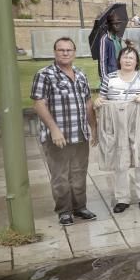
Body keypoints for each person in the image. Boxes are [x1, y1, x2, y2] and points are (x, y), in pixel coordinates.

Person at [30, 37, 98, 225]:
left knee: (79, 172)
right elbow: (39, 103)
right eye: (61, 50)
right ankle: (64, 210)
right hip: (58, 137)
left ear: (74, 52)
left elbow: (88, 102)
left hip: (80, 134)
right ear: (55, 52)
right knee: (60, 175)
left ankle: (80, 207)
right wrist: (54, 129)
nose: (65, 53)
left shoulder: (80, 74)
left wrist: (94, 127)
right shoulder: (45, 74)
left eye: (69, 50)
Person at [95, 46, 140, 212]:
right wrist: (98, 102)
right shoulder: (109, 78)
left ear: (136, 61)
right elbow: (101, 98)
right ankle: (122, 199)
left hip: (138, 126)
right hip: (117, 127)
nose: (128, 60)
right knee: (120, 162)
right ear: (119, 60)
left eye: (131, 58)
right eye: (125, 57)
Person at [96, 13, 123, 86]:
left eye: (119, 24)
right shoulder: (105, 40)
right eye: (115, 24)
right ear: (109, 25)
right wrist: (105, 80)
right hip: (110, 76)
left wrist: (129, 47)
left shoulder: (118, 39)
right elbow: (102, 61)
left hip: (121, 74)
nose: (118, 26)